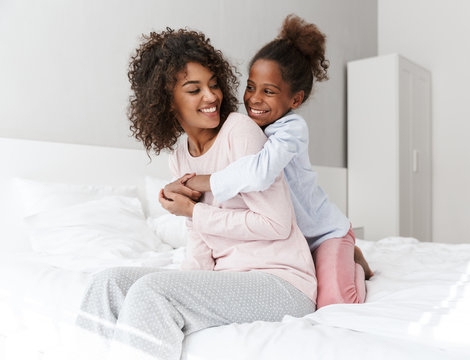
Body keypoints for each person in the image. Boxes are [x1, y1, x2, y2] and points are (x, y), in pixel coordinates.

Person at [75, 28, 316, 360]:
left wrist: (192, 212)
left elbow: (276, 224)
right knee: (108, 284)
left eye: (213, 84)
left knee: (152, 292)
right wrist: (189, 284)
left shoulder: (240, 132)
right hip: (227, 278)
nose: (211, 96)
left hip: (282, 283)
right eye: (194, 89)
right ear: (166, 101)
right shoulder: (180, 156)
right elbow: (200, 240)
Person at [175, 15, 373, 309]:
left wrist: (204, 181)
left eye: (268, 91)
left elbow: (260, 173)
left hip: (322, 233)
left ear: (295, 100)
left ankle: (355, 261)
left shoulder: (291, 130)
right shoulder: (246, 130)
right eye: (251, 87)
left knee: (335, 303)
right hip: (293, 245)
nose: (254, 99)